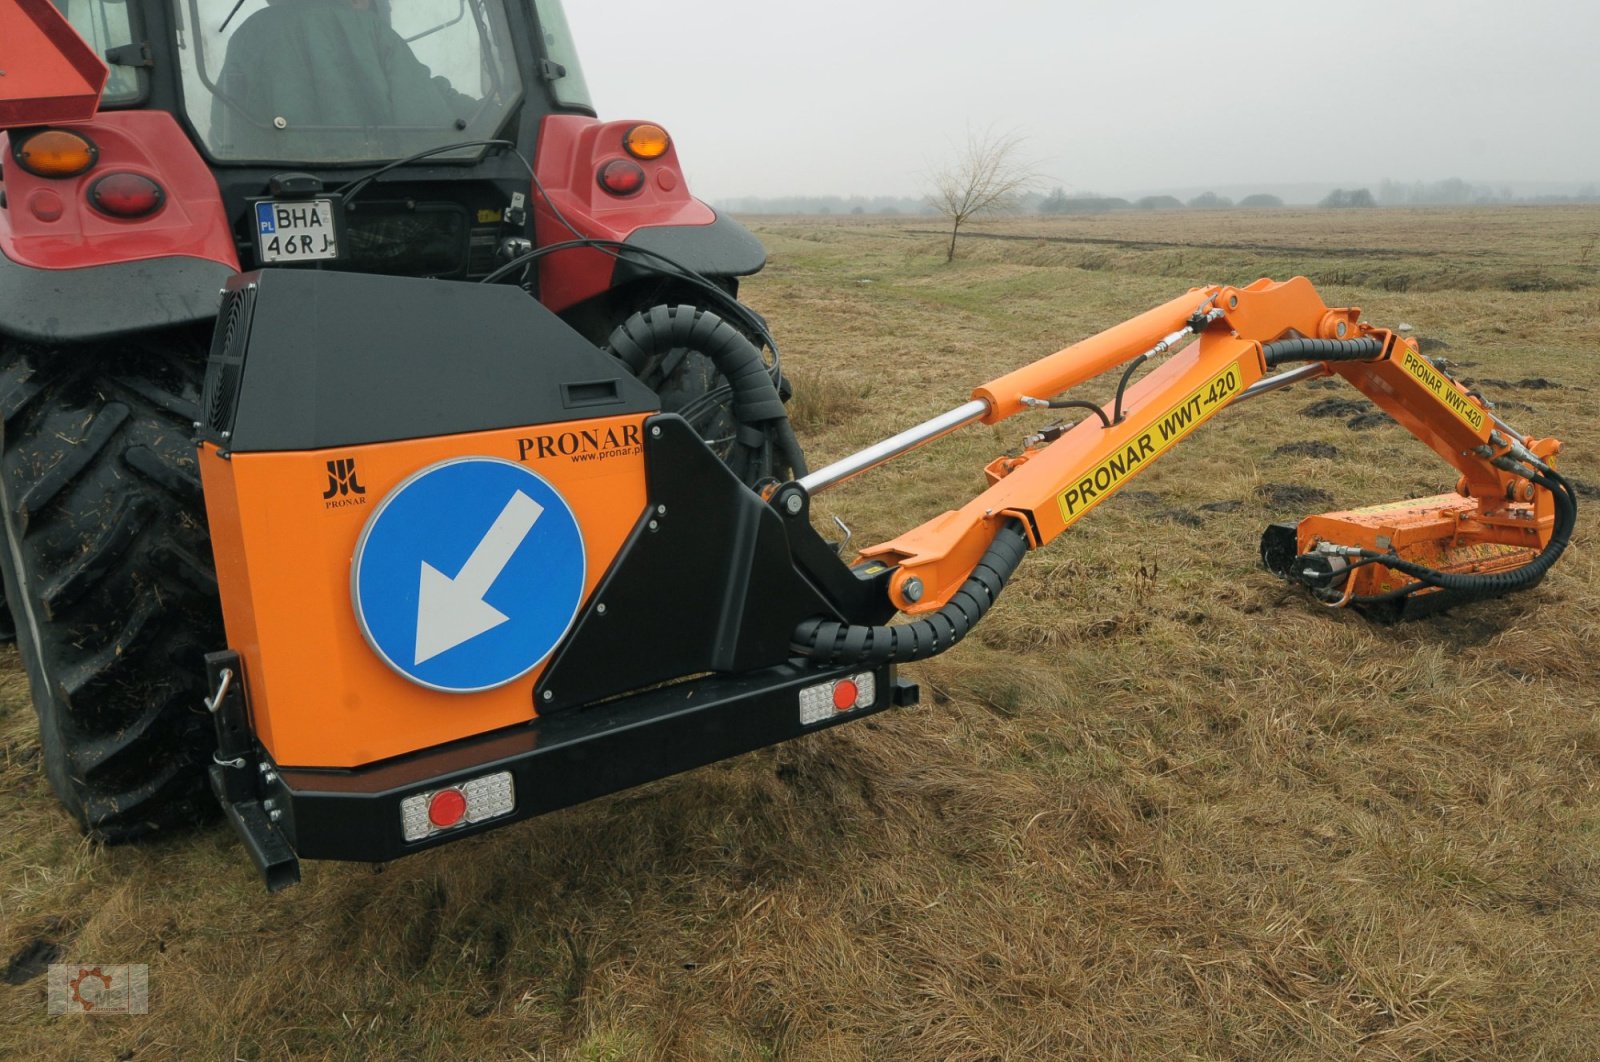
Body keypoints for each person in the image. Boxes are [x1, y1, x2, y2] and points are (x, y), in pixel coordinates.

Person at [213, 0, 475, 158]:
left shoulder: (249, 35)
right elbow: (430, 122)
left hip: (275, 191)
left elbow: (225, 129)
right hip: (368, 194)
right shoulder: (371, 31)